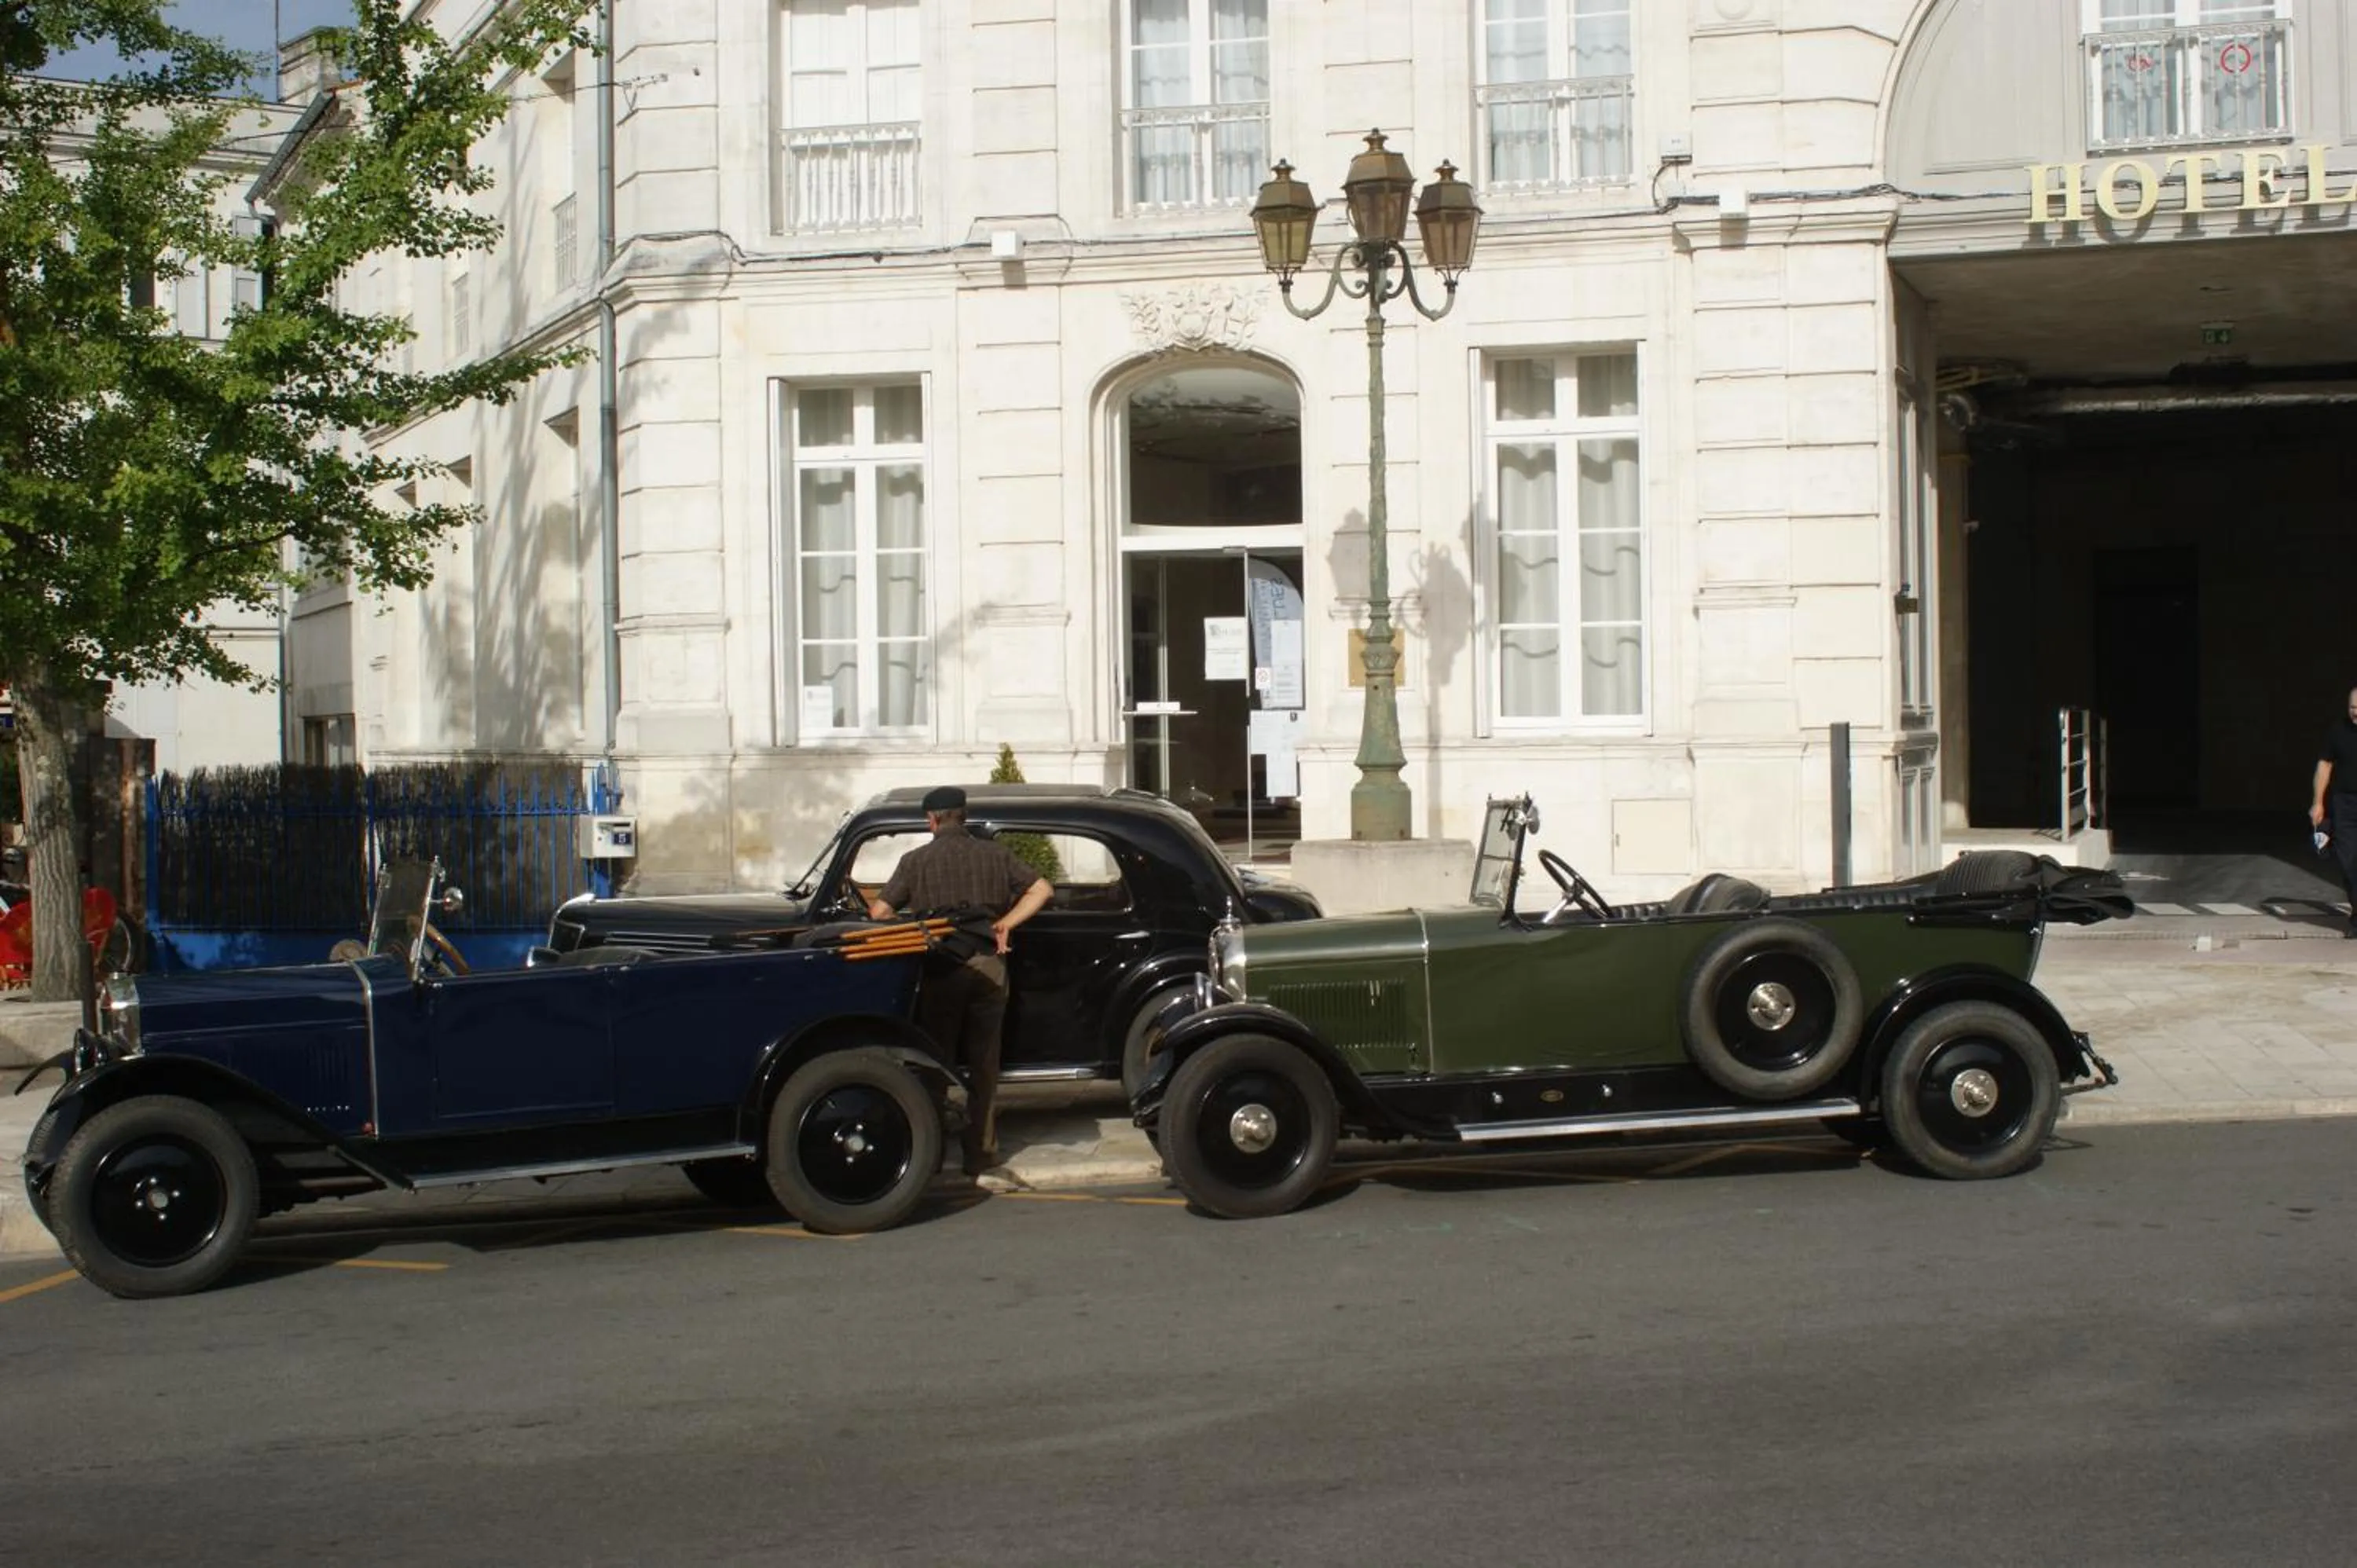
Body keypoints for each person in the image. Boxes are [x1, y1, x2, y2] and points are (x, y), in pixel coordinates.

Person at [867, 786, 1052, 1174]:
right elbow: (1042, 889)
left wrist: (916, 927)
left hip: (940, 968)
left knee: (936, 1061)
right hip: (988, 965)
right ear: (963, 816)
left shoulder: (915, 861)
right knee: (985, 1063)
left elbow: (880, 915)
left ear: (931, 820)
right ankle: (980, 1153)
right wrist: (1004, 924)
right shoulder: (995, 855)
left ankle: (930, 1154)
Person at [2310, 685, 2357, 937]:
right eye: (2353, 708)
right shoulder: (2338, 731)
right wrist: (2318, 802)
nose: (2356, 714)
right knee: (2349, 863)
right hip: (2346, 805)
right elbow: (2325, 765)